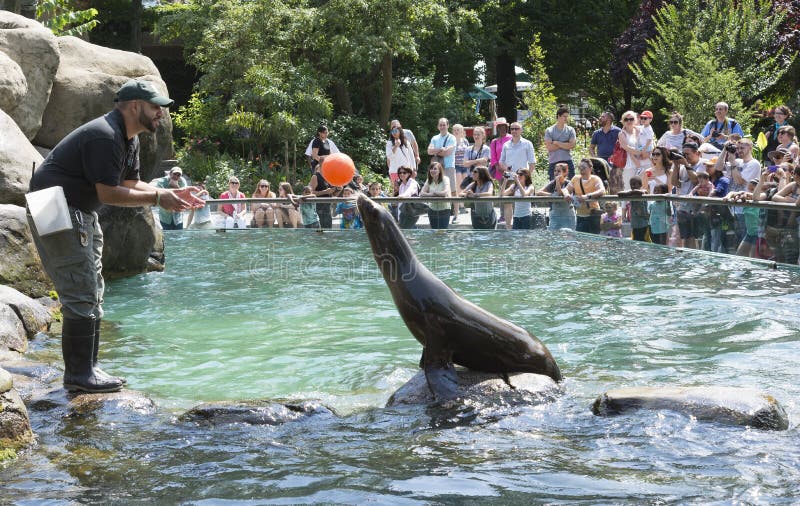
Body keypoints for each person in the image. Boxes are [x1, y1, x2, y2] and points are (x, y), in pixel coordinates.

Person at [26, 79, 203, 393]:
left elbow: (131, 184)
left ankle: (89, 368)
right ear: (135, 105)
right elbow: (108, 193)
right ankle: (79, 376)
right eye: (155, 107)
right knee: (80, 290)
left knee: (93, 287)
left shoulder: (128, 137)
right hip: (56, 206)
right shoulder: (104, 135)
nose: (161, 113)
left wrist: (168, 191)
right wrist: (159, 199)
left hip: (78, 209)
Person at [718, 138, 760, 243]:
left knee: (745, 241)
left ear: (750, 148)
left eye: (742, 148)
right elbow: (718, 167)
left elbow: (739, 181)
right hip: (733, 208)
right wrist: (724, 150)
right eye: (738, 148)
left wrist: (732, 162)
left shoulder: (754, 164)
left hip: (746, 209)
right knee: (735, 242)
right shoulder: (737, 162)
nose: (739, 150)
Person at [498, 122, 536, 229]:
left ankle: (524, 228)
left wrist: (527, 177)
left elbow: (532, 163)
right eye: (512, 129)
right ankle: (509, 229)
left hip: (523, 179)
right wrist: (509, 171)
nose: (514, 131)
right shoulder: (506, 145)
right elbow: (501, 162)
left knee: (523, 204)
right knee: (508, 203)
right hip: (510, 178)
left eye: (516, 128)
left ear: (521, 130)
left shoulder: (527, 143)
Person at [671, 142, 703, 248]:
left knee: (695, 236)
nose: (685, 157)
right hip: (683, 206)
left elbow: (696, 180)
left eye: (687, 154)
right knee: (686, 236)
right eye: (683, 154)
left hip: (696, 207)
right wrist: (676, 165)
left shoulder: (702, 164)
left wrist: (685, 164)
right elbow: (675, 183)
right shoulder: (683, 167)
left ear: (697, 153)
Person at [460, 126, 491, 224]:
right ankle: (475, 222)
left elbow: (484, 162)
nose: (476, 136)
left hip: (482, 179)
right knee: (472, 202)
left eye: (478, 134)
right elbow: (464, 163)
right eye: (474, 134)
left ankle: (486, 219)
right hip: (471, 179)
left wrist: (471, 162)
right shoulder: (468, 149)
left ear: (483, 135)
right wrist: (477, 161)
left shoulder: (486, 148)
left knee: (482, 201)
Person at [566, 158, 605, 234]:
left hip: (593, 215)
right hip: (580, 215)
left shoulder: (595, 179)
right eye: (579, 167)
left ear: (590, 168)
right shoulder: (575, 178)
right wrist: (567, 194)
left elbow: (601, 190)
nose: (581, 169)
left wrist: (587, 196)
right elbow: (566, 189)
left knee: (594, 241)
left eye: (583, 167)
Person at [538, 162, 576, 231]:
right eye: (555, 171)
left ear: (565, 173)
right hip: (555, 215)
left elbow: (560, 193)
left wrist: (558, 182)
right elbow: (539, 192)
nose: (556, 173)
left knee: (569, 236)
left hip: (568, 215)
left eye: (559, 171)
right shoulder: (552, 183)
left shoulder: (569, 184)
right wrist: (551, 195)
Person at [544, 105, 576, 179]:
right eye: (564, 116)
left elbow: (572, 145)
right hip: (553, 163)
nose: (566, 118)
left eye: (567, 116)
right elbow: (550, 148)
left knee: (570, 187)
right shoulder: (549, 130)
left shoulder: (570, 130)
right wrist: (565, 144)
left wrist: (557, 143)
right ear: (558, 116)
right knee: (553, 187)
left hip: (567, 161)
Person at [420, 162, 452, 229]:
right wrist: (433, 194)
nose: (432, 170)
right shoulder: (429, 180)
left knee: (442, 231)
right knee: (434, 231)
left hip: (444, 209)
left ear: (440, 171)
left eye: (435, 169)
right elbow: (422, 193)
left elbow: (445, 193)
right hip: (432, 209)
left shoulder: (445, 179)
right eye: (431, 168)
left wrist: (434, 193)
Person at [309, 164, 340, 228]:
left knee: (328, 228)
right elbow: (311, 193)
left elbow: (333, 195)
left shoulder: (327, 178)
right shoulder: (315, 176)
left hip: (327, 207)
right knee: (321, 229)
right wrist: (325, 191)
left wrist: (338, 190)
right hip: (318, 206)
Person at [618, 111, 642, 191]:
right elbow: (626, 147)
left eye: (631, 119)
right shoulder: (621, 134)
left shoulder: (639, 131)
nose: (629, 121)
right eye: (626, 119)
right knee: (628, 189)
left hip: (641, 163)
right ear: (623, 121)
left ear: (635, 120)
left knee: (641, 188)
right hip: (628, 165)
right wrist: (640, 152)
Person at [427, 117, 456, 185]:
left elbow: (447, 153)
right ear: (438, 127)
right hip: (436, 169)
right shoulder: (434, 138)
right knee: (436, 188)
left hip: (448, 166)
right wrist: (441, 149)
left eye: (444, 125)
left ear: (448, 126)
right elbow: (429, 151)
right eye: (440, 125)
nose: (442, 127)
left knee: (451, 191)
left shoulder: (452, 138)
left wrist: (435, 152)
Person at [450, 124, 470, 219]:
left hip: (465, 166)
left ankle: (462, 204)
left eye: (458, 130)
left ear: (461, 131)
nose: (456, 131)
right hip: (456, 166)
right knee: (458, 186)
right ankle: (460, 206)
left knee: (464, 186)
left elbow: (468, 152)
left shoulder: (465, 141)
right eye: (454, 130)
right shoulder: (452, 141)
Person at [624, 175, 650, 242]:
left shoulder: (642, 194)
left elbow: (643, 192)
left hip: (643, 223)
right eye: (631, 184)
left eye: (634, 184)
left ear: (640, 184)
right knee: (637, 241)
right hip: (636, 224)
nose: (632, 186)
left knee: (643, 241)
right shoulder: (632, 194)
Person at [489, 117, 512, 181]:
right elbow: (493, 156)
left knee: (511, 188)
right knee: (500, 188)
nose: (502, 128)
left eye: (503, 126)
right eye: (500, 127)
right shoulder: (494, 141)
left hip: (511, 168)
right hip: (499, 170)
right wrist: (497, 167)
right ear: (497, 128)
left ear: (506, 127)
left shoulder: (511, 138)